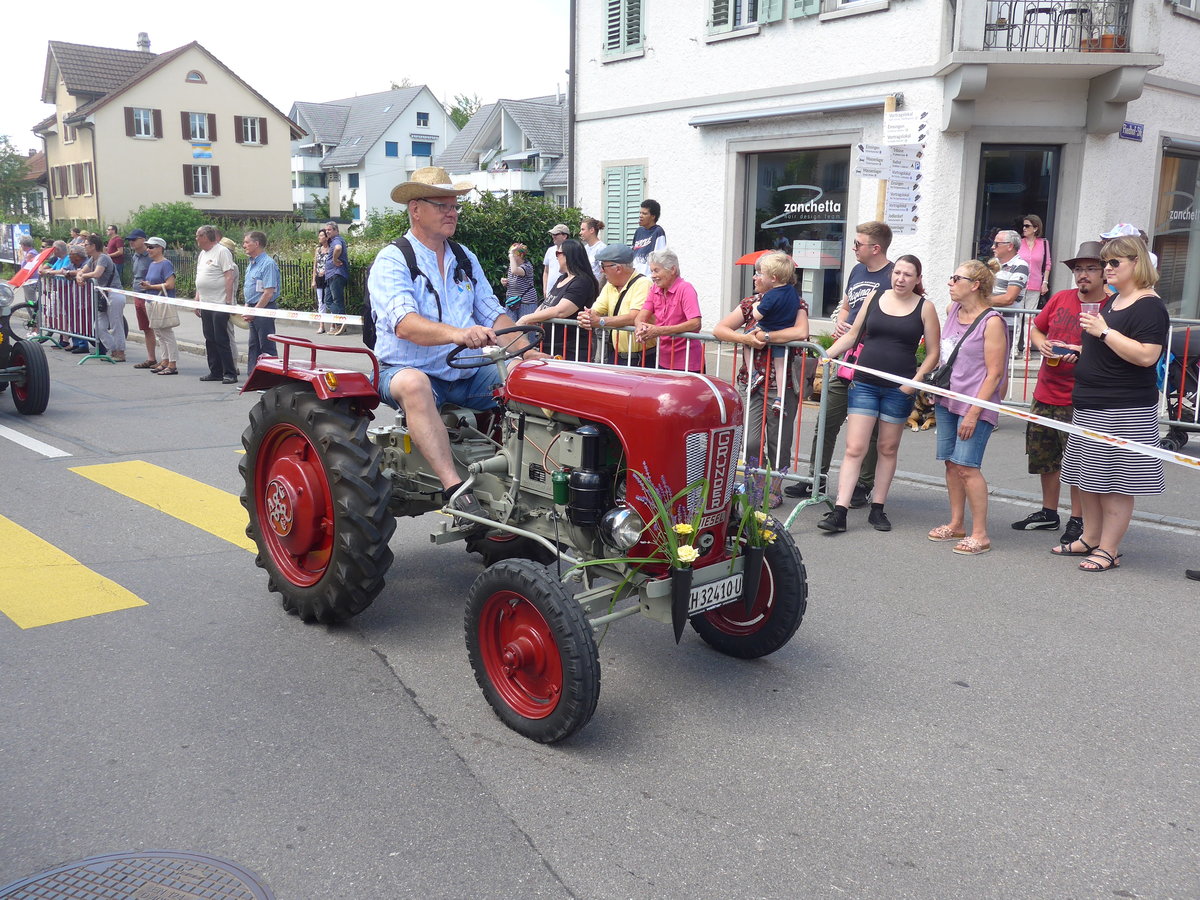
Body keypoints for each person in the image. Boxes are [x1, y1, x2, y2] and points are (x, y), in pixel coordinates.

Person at [369, 165, 529, 516]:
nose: (452, 212)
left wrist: (533, 354)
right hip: (405, 368)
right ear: (415, 209)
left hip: (466, 372)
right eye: (442, 204)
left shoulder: (464, 257)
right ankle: (455, 489)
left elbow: (493, 314)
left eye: (455, 205)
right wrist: (459, 333)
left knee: (523, 377)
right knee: (414, 384)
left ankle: (526, 481)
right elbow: (405, 325)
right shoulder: (393, 259)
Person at [1054, 235, 1170, 572]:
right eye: (1106, 263)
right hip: (1091, 403)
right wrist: (1080, 352)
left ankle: (1110, 548)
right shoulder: (1113, 302)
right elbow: (1111, 349)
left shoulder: (1149, 305)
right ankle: (1090, 537)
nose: (1107, 269)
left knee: (1116, 482)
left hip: (1124, 407)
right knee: (1088, 478)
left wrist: (1104, 333)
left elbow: (1147, 356)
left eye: (1113, 263)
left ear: (1137, 263)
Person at [816, 255, 941, 534]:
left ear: (918, 279)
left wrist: (915, 383)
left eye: (908, 275)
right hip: (865, 383)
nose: (900, 279)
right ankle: (840, 511)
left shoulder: (925, 307)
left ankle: (878, 508)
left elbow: (933, 353)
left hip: (899, 388)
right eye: (897, 272)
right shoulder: (875, 296)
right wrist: (824, 356)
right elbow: (853, 335)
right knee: (854, 448)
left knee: (887, 448)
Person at [787, 221, 894, 503]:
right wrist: (842, 321)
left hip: (872, 362)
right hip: (848, 359)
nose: (854, 248)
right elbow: (847, 305)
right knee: (827, 420)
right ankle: (816, 479)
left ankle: (863, 484)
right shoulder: (858, 270)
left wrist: (862, 329)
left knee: (869, 430)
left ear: (876, 247)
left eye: (858, 244)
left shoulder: (893, 276)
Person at [1010, 241, 1102, 546]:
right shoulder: (1061, 298)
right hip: (1045, 391)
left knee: (1077, 463)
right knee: (1045, 458)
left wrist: (1082, 353)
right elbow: (1037, 327)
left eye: (1091, 268)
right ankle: (1049, 512)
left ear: (1105, 273)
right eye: (1078, 269)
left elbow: (1112, 349)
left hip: (1079, 397)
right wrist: (1041, 343)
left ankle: (1078, 519)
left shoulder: (1110, 307)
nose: (1083, 274)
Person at [712, 263, 810, 508]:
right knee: (751, 440)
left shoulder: (796, 302)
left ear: (773, 278)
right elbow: (720, 329)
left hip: (783, 384)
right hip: (752, 383)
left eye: (759, 274)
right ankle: (757, 484)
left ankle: (774, 489)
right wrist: (744, 338)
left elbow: (801, 332)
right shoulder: (749, 303)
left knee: (780, 441)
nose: (755, 277)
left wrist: (765, 337)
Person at [928, 260, 1009, 556]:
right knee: (951, 463)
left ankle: (980, 533)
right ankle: (956, 523)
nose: (950, 283)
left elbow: (995, 373)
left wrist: (974, 413)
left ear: (975, 285)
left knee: (968, 467)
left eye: (956, 278)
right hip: (948, 399)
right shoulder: (953, 311)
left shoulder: (992, 322)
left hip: (975, 403)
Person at [517, 238, 598, 360]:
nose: (556, 257)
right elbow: (546, 303)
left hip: (570, 349)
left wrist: (526, 319)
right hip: (550, 345)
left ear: (568, 255)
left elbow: (560, 311)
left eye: (558, 254)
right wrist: (534, 318)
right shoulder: (562, 278)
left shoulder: (582, 281)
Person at [578, 244, 654, 367]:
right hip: (618, 355)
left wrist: (600, 321)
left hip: (642, 357)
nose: (601, 270)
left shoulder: (643, 283)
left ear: (618, 268)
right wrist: (587, 317)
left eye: (603, 266)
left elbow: (634, 317)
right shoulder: (610, 285)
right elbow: (596, 310)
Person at [748, 251, 801, 412]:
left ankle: (754, 374)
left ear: (773, 278)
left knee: (746, 341)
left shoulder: (770, 296)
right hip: (784, 334)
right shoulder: (793, 292)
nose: (759, 277)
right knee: (780, 368)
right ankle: (779, 398)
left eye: (761, 274)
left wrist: (754, 306)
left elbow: (757, 315)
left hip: (767, 329)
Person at [634, 248, 703, 372]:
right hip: (663, 358)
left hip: (686, 360)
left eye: (656, 270)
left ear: (672, 270)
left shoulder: (685, 289)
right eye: (651, 271)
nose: (653, 276)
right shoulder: (655, 289)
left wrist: (659, 331)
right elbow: (641, 315)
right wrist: (640, 327)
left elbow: (695, 323)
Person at [195, 225, 239, 384]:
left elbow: (229, 276)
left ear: (205, 237)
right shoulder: (202, 254)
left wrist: (228, 301)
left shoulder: (222, 251)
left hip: (219, 302)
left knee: (221, 338)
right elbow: (200, 277)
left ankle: (229, 372)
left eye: (197, 236)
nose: (196, 239)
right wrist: (197, 298)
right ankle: (215, 371)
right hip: (206, 302)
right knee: (209, 338)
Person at [76, 233, 126, 361]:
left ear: (93, 246)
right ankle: (113, 349)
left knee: (116, 324)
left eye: (86, 245)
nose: (84, 247)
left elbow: (97, 274)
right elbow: (82, 270)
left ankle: (120, 352)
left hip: (114, 294)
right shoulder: (92, 259)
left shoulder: (103, 258)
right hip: (103, 296)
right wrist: (79, 276)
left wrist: (83, 276)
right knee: (98, 326)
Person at [242, 230, 281, 371]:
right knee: (254, 345)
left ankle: (269, 381)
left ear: (256, 244)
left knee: (266, 346)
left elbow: (268, 293)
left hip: (264, 309)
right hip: (254, 307)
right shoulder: (251, 263)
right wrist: (247, 306)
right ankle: (252, 378)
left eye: (247, 242)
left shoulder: (267, 264)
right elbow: (251, 288)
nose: (244, 245)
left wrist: (255, 311)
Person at [141, 237, 179, 375]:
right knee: (159, 333)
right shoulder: (152, 264)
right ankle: (165, 360)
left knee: (166, 333)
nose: (148, 250)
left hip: (162, 302)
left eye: (151, 247)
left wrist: (151, 286)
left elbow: (170, 284)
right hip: (152, 301)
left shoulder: (166, 264)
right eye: (148, 247)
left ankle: (172, 363)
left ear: (160, 248)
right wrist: (147, 285)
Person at [125, 229, 157, 368]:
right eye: (130, 240)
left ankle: (167, 360)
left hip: (149, 295)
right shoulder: (135, 256)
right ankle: (151, 358)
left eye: (134, 239)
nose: (131, 242)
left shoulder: (150, 256)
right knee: (145, 328)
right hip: (138, 294)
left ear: (143, 240)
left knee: (157, 327)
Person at [500, 243, 538, 320]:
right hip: (512, 301)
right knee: (511, 328)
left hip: (526, 302)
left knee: (526, 329)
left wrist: (511, 255)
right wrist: (504, 282)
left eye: (513, 253)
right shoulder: (511, 266)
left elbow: (515, 271)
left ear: (520, 255)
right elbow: (514, 279)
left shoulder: (527, 266)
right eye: (509, 253)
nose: (509, 256)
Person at [324, 222, 348, 335]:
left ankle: (341, 323)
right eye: (326, 230)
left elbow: (338, 248)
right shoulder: (333, 241)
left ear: (336, 230)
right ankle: (341, 323)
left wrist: (334, 260)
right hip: (331, 275)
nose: (327, 231)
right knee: (328, 300)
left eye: (329, 229)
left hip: (336, 274)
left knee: (337, 301)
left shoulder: (337, 240)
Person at [630, 199, 666, 276]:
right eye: (640, 213)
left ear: (653, 216)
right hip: (635, 278)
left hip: (648, 279)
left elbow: (660, 258)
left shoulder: (658, 232)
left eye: (644, 213)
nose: (640, 216)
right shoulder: (638, 231)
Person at [542, 224, 570, 298]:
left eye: (556, 234)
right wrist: (545, 289)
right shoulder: (550, 250)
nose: (553, 236)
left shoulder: (571, 251)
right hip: (550, 293)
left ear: (565, 236)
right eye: (552, 234)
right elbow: (546, 271)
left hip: (565, 292)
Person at [312, 226, 330, 334]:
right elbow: (315, 265)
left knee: (329, 300)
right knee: (320, 301)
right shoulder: (318, 250)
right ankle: (321, 325)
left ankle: (332, 324)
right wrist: (313, 279)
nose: (320, 237)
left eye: (322, 235)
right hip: (319, 277)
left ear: (327, 237)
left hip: (328, 277)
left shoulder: (331, 249)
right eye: (319, 235)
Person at [580, 217, 607, 285]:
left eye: (583, 229)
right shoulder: (585, 248)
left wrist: (598, 289)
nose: (580, 233)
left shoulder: (601, 248)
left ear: (592, 230)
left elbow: (604, 272)